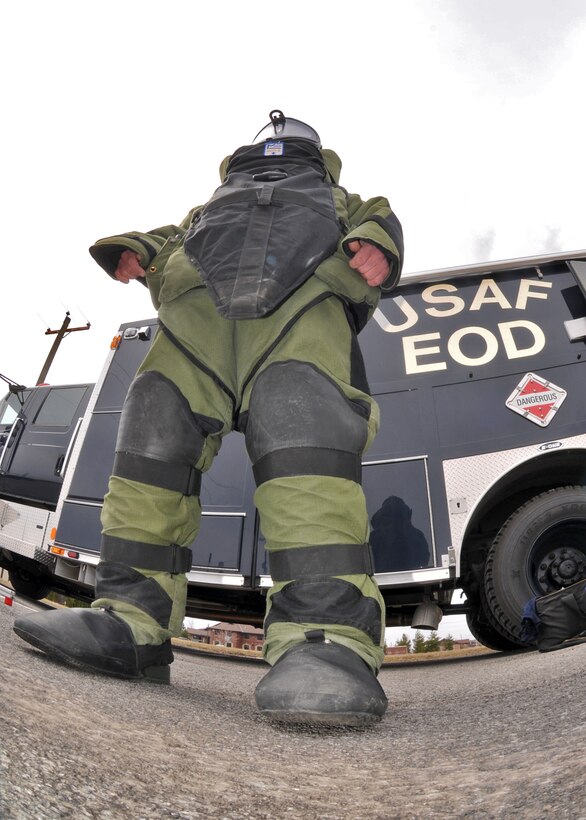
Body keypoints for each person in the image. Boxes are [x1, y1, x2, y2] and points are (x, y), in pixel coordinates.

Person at [14, 110, 404, 727]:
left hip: (300, 316)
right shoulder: (207, 210)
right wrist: (138, 250)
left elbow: (381, 224)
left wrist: (378, 246)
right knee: (153, 430)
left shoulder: (346, 197)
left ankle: (326, 640)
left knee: (306, 445)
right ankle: (132, 623)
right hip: (195, 323)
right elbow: (172, 239)